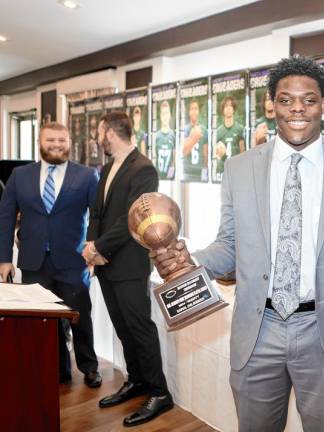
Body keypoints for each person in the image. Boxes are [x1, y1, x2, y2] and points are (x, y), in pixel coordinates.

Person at [150, 55, 324, 431]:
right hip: (257, 329)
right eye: (286, 100)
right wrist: (187, 262)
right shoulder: (238, 168)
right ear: (272, 105)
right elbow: (229, 246)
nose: (297, 109)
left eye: (309, 100)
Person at [83, 111, 172, 427]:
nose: (96, 136)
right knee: (122, 328)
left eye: (98, 130)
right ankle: (137, 380)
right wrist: (93, 247)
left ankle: (160, 392)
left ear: (108, 131)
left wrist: (99, 247)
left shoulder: (144, 168)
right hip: (106, 263)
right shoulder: (107, 167)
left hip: (130, 264)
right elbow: (97, 212)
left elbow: (132, 218)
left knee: (139, 328)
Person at [0, 122, 102, 387]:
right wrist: (3, 258)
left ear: (69, 142)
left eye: (62, 140)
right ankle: (58, 368)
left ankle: (89, 367)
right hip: (34, 261)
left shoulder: (87, 176)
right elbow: (6, 217)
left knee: (79, 314)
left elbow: (98, 216)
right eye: (50, 140)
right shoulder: (19, 175)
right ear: (39, 142)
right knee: (44, 319)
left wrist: (93, 248)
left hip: (73, 260)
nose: (56, 145)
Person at [214, 95, 245, 177]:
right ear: (223, 109)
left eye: (230, 105)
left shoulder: (240, 129)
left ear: (234, 109)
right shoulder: (218, 131)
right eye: (226, 106)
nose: (228, 108)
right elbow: (215, 154)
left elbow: (243, 152)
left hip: (236, 170)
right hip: (222, 170)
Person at [182, 99, 209, 181]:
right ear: (189, 112)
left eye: (196, 108)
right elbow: (183, 152)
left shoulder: (204, 130)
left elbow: (205, 154)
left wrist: (205, 171)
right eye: (192, 109)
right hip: (187, 172)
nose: (194, 111)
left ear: (198, 111)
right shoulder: (185, 130)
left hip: (199, 172)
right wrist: (193, 138)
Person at [154, 100, 176, 179]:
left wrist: (169, 177)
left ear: (170, 115)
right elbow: (154, 157)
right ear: (160, 116)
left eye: (166, 113)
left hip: (169, 178)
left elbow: (174, 160)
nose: (165, 116)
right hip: (158, 177)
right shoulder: (156, 136)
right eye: (163, 113)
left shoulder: (173, 136)